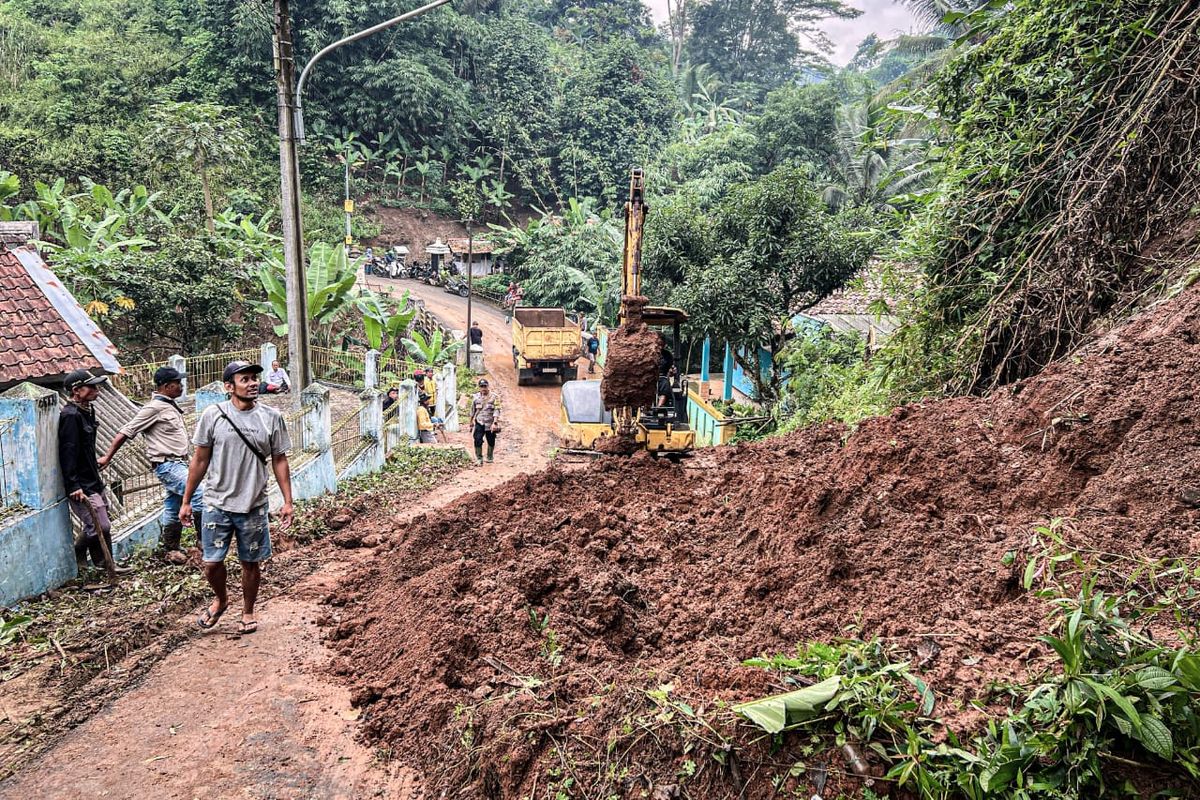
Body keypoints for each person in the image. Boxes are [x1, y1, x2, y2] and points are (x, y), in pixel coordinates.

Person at [181, 360, 294, 635]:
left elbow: (279, 460)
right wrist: (186, 500)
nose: (253, 383)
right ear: (229, 386)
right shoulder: (213, 415)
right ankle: (221, 599)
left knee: (250, 562)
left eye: (255, 378)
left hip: (253, 503)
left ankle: (248, 611)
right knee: (211, 562)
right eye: (245, 379)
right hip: (216, 502)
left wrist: (288, 501)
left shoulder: (271, 417)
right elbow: (199, 460)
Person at [98, 366, 203, 562]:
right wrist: (107, 457)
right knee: (198, 492)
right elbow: (126, 431)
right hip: (167, 465)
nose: (181, 386)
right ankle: (204, 542)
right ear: (165, 386)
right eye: (177, 383)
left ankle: (171, 549)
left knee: (173, 504)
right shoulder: (153, 408)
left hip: (179, 463)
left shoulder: (169, 405)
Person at [59, 369, 131, 575]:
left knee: (102, 521)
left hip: (93, 478)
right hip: (81, 483)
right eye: (92, 387)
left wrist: (97, 462)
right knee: (101, 525)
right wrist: (73, 485)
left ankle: (106, 565)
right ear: (76, 390)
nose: (97, 390)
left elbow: (86, 448)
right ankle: (82, 554)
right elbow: (68, 452)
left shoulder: (86, 410)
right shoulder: (70, 416)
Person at [469, 378, 501, 464]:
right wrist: (471, 421)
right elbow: (472, 410)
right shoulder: (476, 397)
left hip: (490, 423)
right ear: (479, 387)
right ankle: (479, 458)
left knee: (491, 440)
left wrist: (495, 422)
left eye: (485, 386)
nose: (483, 388)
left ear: (488, 386)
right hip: (479, 422)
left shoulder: (494, 397)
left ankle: (490, 457)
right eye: (481, 386)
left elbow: (497, 410)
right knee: (477, 439)